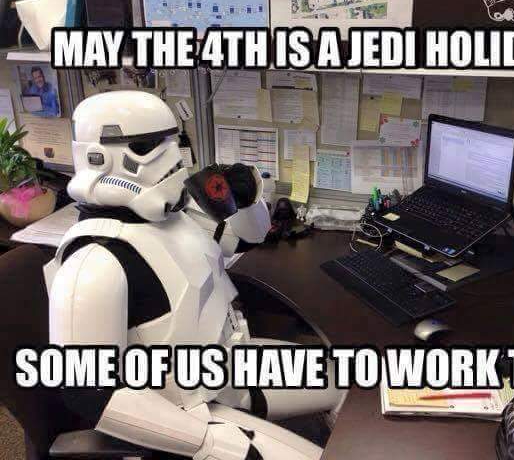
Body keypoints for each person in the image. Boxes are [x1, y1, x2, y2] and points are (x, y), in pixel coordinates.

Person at [45, 91, 342, 460]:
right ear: (97, 156)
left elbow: (248, 237)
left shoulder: (169, 219)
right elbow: (88, 392)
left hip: (228, 368)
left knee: (350, 379)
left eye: (172, 141)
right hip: (184, 412)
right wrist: (208, 441)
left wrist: (246, 198)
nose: (171, 158)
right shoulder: (93, 265)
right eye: (148, 146)